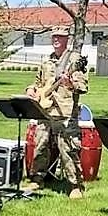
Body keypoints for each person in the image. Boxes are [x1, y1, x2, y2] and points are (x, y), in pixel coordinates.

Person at [25, 26, 88, 199]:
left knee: (68, 149)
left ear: (67, 39)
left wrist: (70, 84)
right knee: (40, 145)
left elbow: (83, 87)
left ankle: (75, 185)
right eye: (54, 37)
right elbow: (38, 82)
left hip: (65, 113)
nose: (56, 40)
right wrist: (31, 89)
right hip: (45, 111)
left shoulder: (74, 60)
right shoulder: (46, 61)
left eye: (60, 37)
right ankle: (37, 178)